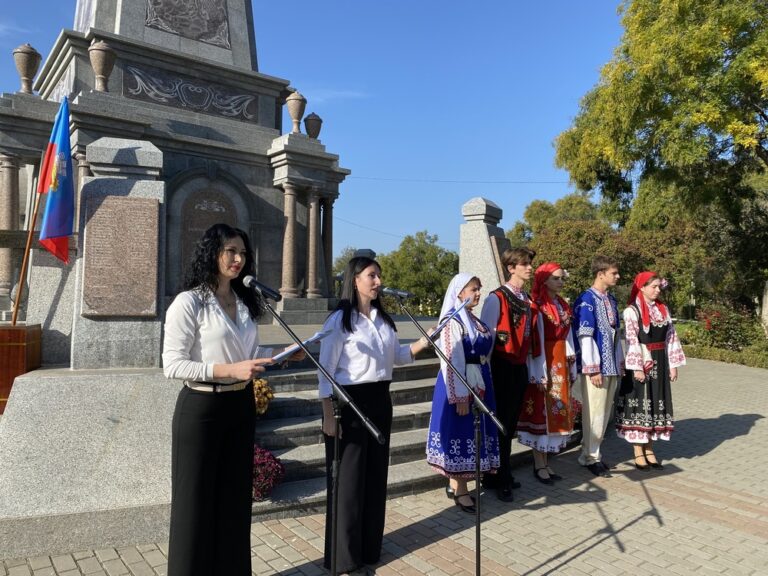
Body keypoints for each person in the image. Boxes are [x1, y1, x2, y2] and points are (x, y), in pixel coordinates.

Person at [162, 223, 301, 576]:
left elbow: (248, 354)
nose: (239, 259)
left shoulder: (242, 303)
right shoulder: (189, 302)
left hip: (239, 408)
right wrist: (229, 370)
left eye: (243, 253)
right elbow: (173, 364)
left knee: (234, 504)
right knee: (195, 507)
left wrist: (282, 354)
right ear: (212, 252)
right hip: (202, 411)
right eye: (231, 251)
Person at [318, 256, 431, 576]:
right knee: (348, 483)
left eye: (379, 275)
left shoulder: (384, 320)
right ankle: (344, 559)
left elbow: (397, 358)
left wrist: (424, 342)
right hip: (348, 404)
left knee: (374, 477)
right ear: (354, 280)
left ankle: (369, 550)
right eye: (372, 275)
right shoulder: (339, 321)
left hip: (380, 400)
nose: (378, 281)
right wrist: (328, 412)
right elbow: (325, 370)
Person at [426, 273, 500, 513]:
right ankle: (461, 490)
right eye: (473, 289)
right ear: (459, 292)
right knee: (461, 432)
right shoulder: (453, 321)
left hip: (478, 380)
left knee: (473, 433)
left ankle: (456, 485)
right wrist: (460, 396)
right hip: (459, 384)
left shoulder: (473, 320)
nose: (478, 293)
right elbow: (451, 360)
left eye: (479, 289)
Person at [480, 247, 546, 501]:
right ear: (511, 268)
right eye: (525, 264)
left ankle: (500, 473)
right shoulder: (497, 298)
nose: (530, 268)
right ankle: (499, 476)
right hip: (499, 367)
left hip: (518, 367)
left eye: (530, 263)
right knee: (501, 424)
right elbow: (488, 335)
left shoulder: (527, 299)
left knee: (509, 425)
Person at [616, 271, 686, 469]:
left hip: (660, 360)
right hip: (642, 360)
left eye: (658, 286)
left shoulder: (663, 310)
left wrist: (673, 365)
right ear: (642, 287)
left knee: (656, 402)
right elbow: (631, 340)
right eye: (653, 287)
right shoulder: (632, 311)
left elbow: (671, 337)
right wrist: (637, 367)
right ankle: (638, 450)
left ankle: (650, 449)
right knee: (640, 404)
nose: (657, 290)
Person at [516, 263, 576, 484]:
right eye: (555, 278)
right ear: (543, 281)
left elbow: (567, 336)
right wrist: (538, 373)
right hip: (544, 363)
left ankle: (546, 462)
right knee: (541, 412)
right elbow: (535, 342)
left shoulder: (561, 304)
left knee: (555, 412)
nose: (560, 282)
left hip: (559, 361)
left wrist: (571, 363)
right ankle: (538, 464)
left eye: (561, 278)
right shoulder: (538, 306)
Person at [572, 255, 624, 478]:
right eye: (614, 273)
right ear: (600, 274)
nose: (618, 276)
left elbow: (616, 334)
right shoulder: (586, 299)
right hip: (597, 368)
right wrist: (593, 368)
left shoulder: (611, 300)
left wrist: (620, 362)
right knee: (594, 414)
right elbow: (585, 335)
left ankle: (594, 453)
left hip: (611, 365)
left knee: (604, 413)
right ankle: (589, 457)